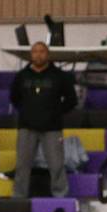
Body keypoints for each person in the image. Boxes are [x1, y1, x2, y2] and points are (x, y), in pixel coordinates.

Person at [10, 41, 77, 198]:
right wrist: (28, 111)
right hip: (26, 127)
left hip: (52, 128)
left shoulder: (59, 76)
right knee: (22, 165)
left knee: (57, 165)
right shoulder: (21, 76)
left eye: (42, 51)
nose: (38, 54)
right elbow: (14, 98)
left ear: (48, 54)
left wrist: (55, 112)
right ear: (31, 55)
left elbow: (71, 100)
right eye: (35, 51)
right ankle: (19, 197)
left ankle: (60, 195)